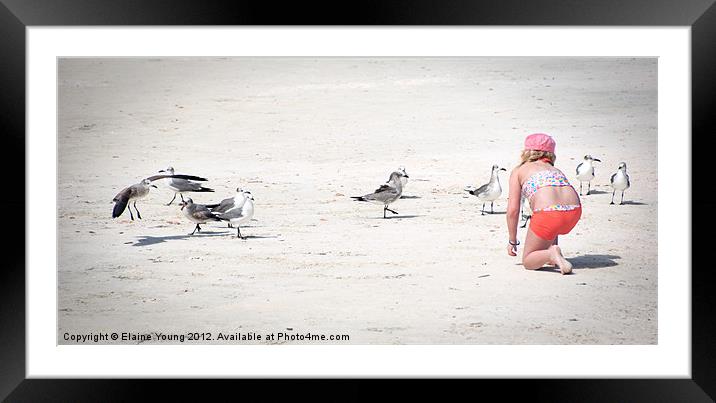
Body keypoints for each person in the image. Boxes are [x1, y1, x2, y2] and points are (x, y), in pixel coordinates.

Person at [505, 133, 581, 274]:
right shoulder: (555, 170)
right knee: (552, 211)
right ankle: (554, 252)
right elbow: (557, 202)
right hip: (574, 212)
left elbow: (513, 211)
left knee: (528, 260)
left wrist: (512, 240)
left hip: (549, 215)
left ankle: (551, 254)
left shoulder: (519, 171)